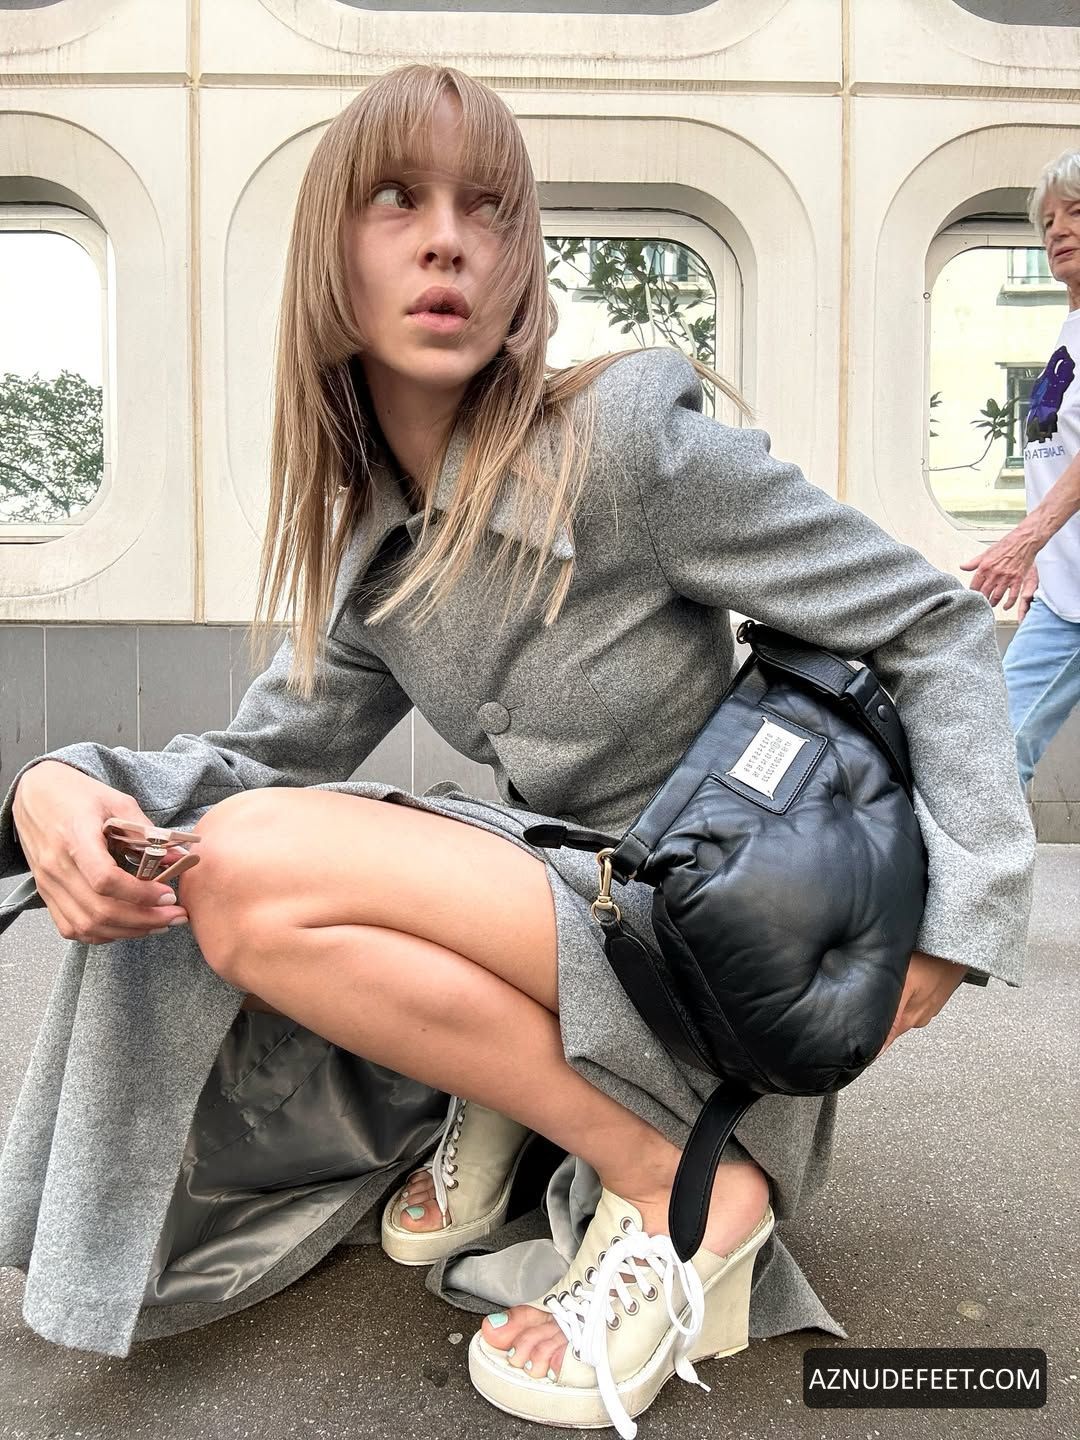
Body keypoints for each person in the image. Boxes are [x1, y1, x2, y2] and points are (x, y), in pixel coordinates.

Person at [1, 65, 1034, 1437]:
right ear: (327, 257)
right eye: (397, 198)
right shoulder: (379, 553)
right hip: (590, 922)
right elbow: (257, 755)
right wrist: (50, 782)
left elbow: (932, 622)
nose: (449, 241)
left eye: (488, 208)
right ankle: (519, 1111)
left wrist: (961, 919)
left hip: (723, 934)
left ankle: (682, 1187)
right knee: (223, 871)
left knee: (245, 863)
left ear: (522, 265)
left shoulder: (624, 448)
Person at [961, 148, 1080, 794]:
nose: (1058, 230)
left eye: (1076, 212)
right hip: (1065, 589)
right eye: (1049, 221)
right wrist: (1042, 556)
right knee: (992, 755)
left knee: (994, 760)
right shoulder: (1070, 331)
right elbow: (1055, 453)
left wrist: (1028, 540)